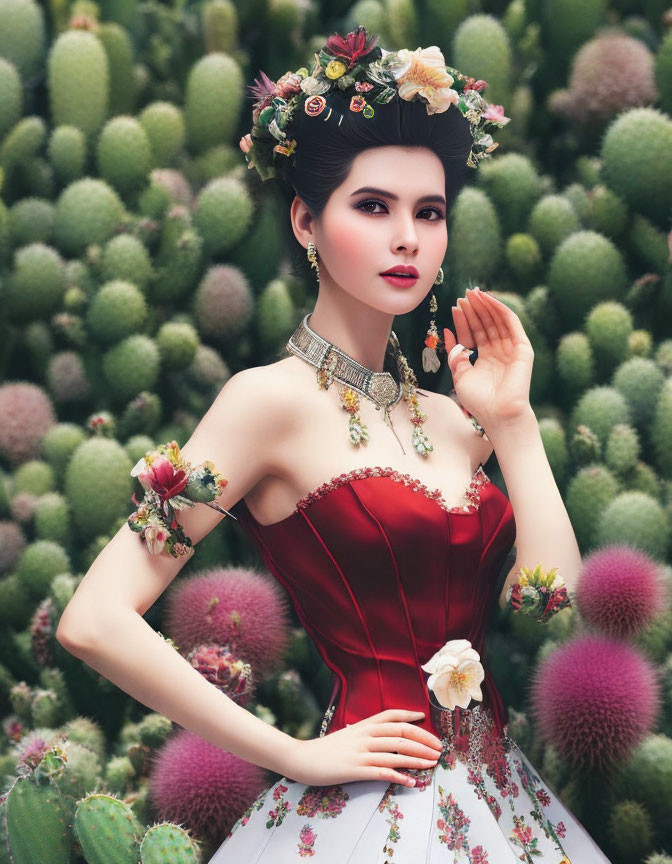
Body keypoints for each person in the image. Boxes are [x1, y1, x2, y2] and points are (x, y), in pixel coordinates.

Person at [55, 26, 613, 863]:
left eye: (429, 213)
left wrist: (514, 423)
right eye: (374, 206)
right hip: (360, 810)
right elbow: (94, 618)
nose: (407, 239)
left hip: (503, 807)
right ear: (306, 220)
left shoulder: (455, 415)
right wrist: (290, 754)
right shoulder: (262, 404)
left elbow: (557, 605)